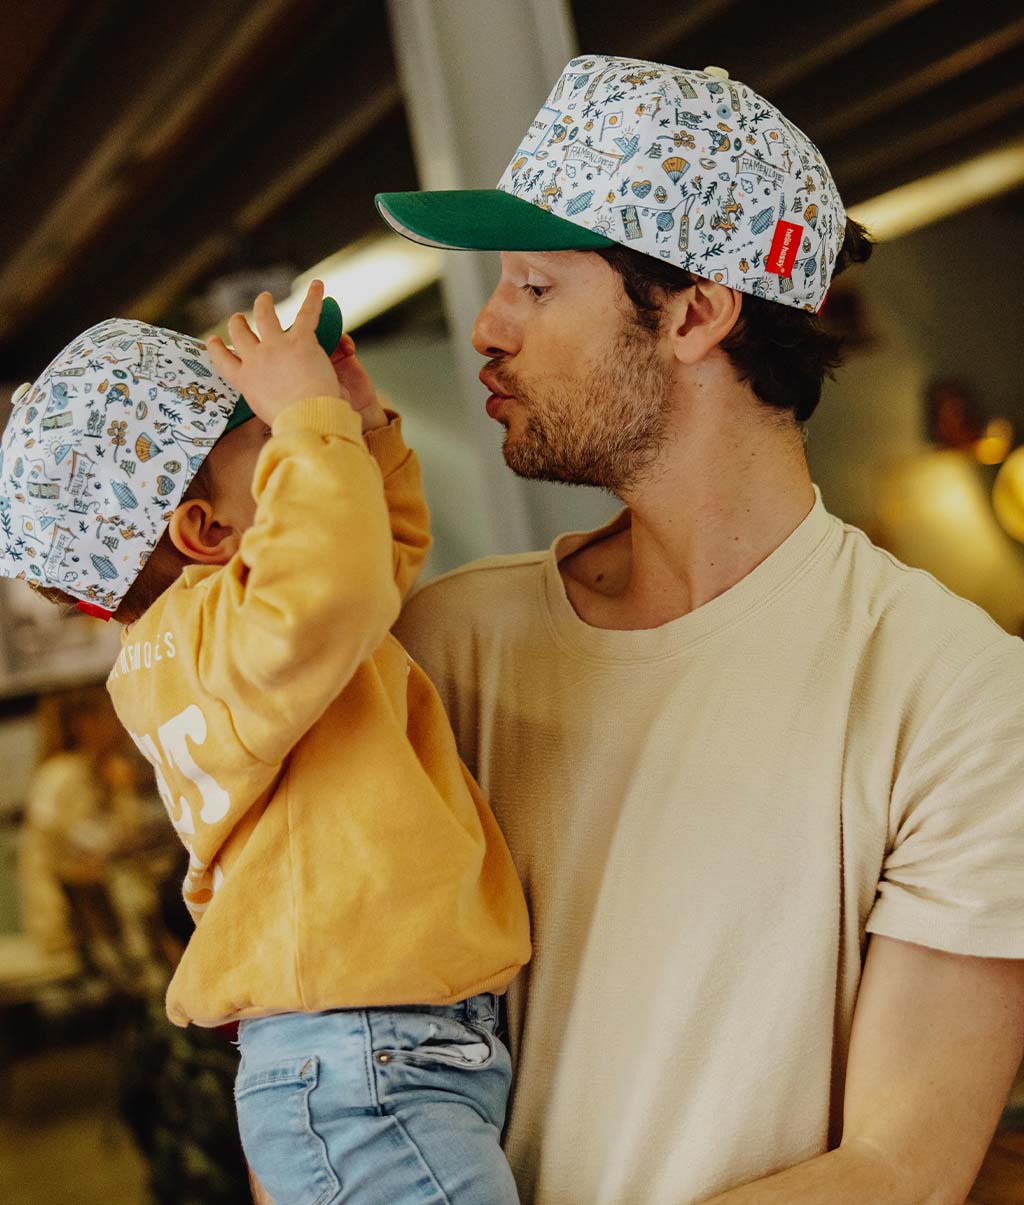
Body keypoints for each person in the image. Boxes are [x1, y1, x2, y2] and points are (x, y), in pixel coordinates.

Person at [377, 54, 1024, 1203]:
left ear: (694, 312)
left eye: (534, 284)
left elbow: (900, 1167)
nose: (485, 326)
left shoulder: (958, 694)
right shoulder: (447, 645)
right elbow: (324, 1065)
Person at [0, 281, 530, 1204]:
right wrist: (315, 419)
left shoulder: (226, 634)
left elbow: (371, 558)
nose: (295, 442)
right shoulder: (208, 631)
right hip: (359, 1059)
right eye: (271, 442)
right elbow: (339, 578)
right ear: (204, 532)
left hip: (378, 1046)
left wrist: (353, 431)